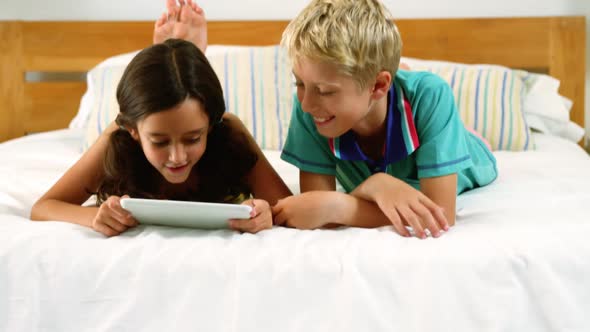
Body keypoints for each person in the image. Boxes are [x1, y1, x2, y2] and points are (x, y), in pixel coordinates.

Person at [269, 0, 498, 238]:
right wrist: (374, 186)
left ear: (378, 85)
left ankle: (457, 130)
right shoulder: (313, 109)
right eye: (299, 83)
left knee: (435, 116)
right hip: (378, 106)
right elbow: (315, 207)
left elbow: (440, 213)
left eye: (326, 91)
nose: (306, 103)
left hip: (472, 151)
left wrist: (341, 206)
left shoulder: (432, 95)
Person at [30, 37, 291, 236]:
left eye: (192, 139)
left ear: (210, 125)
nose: (177, 157)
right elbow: (44, 207)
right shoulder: (118, 140)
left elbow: (286, 207)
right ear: (133, 130)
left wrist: (266, 213)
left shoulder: (229, 132)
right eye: (159, 141)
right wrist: (95, 217)